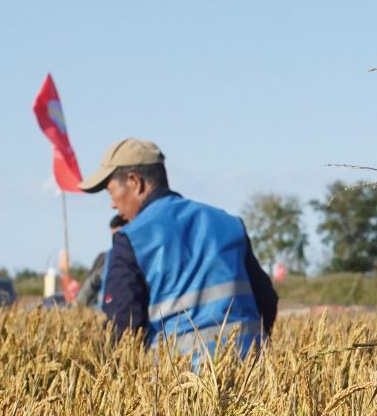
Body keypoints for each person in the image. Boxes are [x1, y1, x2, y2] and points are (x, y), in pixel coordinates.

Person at [79, 138, 278, 362]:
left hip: (179, 385)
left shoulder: (131, 240)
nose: (112, 205)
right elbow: (267, 299)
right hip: (252, 375)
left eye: (111, 193)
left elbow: (123, 328)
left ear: (136, 182)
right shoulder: (228, 223)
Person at [74, 213, 126, 309]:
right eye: (113, 236)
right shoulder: (105, 258)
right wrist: (78, 305)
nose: (115, 239)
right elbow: (92, 280)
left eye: (118, 235)